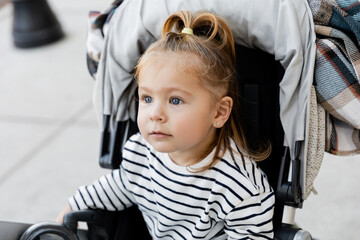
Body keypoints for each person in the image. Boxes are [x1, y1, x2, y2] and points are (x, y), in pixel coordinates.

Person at [57, 10, 275, 239]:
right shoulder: (141, 152)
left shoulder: (237, 185)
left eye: (175, 100)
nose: (155, 114)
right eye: (147, 99)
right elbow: (119, 186)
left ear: (219, 112)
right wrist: (72, 208)